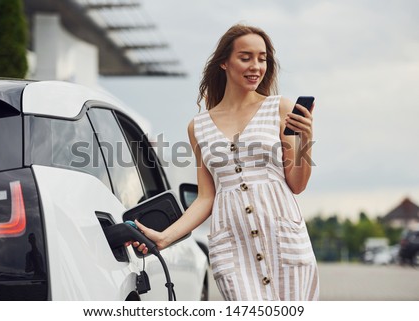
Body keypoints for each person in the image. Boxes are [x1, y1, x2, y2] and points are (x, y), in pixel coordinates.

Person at [133, 24, 319, 301]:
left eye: (262, 58)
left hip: (285, 241)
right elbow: (206, 198)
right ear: (224, 62)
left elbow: (297, 183)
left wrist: (306, 140)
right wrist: (165, 237)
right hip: (233, 247)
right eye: (246, 57)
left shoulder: (280, 108)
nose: (256, 66)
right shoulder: (198, 126)